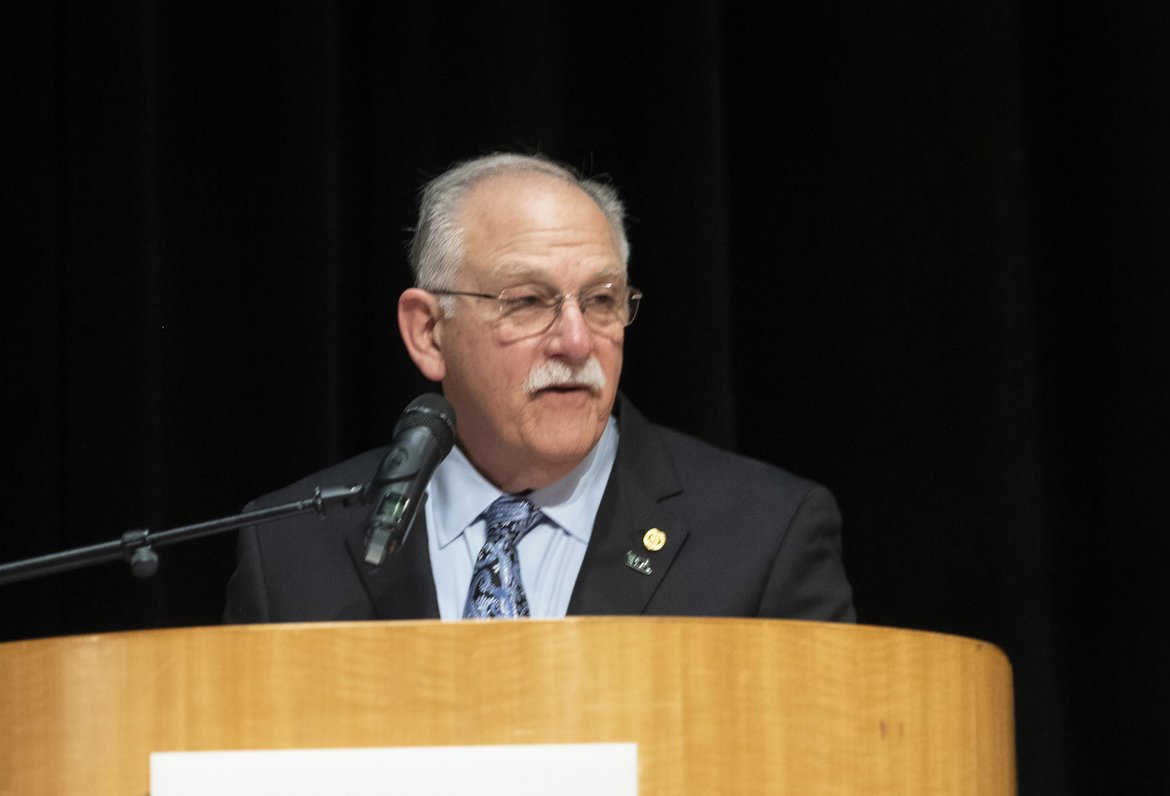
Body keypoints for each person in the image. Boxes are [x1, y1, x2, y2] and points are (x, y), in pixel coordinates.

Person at [224, 152, 854, 623]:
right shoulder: (289, 549)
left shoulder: (765, 535)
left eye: (602, 300)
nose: (577, 342)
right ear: (428, 334)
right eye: (528, 301)